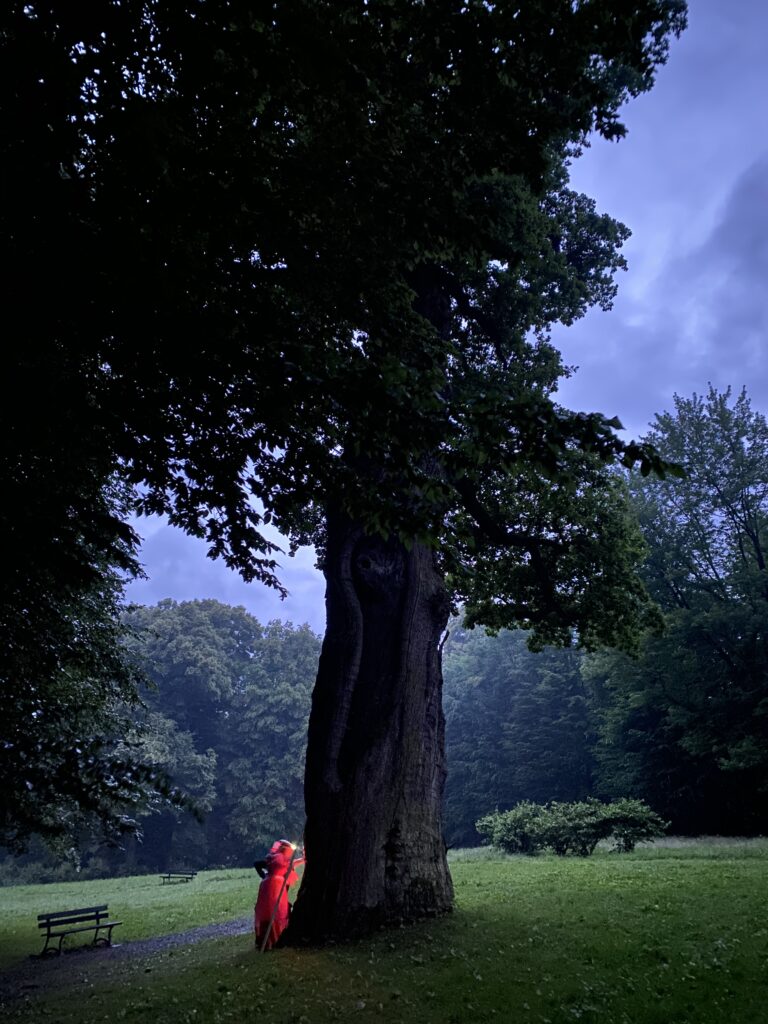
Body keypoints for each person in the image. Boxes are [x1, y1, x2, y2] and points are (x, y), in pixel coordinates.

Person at [254, 839, 305, 950]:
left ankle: (272, 939)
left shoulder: (277, 859)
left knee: (275, 910)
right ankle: (272, 939)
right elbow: (288, 864)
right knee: (275, 910)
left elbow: (293, 863)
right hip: (274, 887)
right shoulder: (279, 859)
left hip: (270, 886)